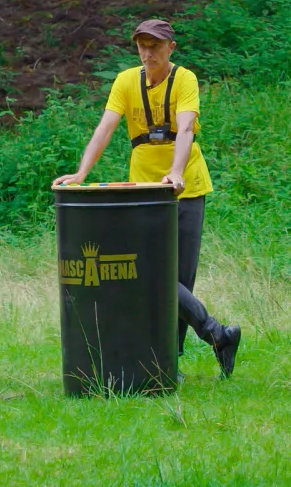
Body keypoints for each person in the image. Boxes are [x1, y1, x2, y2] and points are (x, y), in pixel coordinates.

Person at [53, 19, 242, 378]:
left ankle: (171, 361)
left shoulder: (184, 79)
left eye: (154, 45)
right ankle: (217, 335)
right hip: (144, 194)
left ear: (171, 47)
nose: (147, 51)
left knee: (181, 278)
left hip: (186, 188)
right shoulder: (126, 81)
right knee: (154, 273)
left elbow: (185, 127)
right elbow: (105, 127)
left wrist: (176, 171)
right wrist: (81, 173)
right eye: (141, 45)